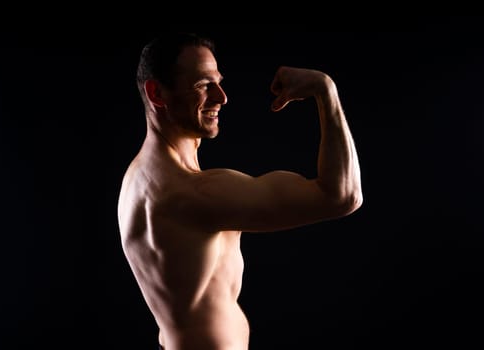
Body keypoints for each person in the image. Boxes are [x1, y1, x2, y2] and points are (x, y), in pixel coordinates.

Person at [117, 32, 363, 350]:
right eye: (203, 85)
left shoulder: (137, 179)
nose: (221, 97)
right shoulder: (192, 194)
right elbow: (343, 195)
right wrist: (324, 90)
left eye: (218, 82)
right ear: (158, 93)